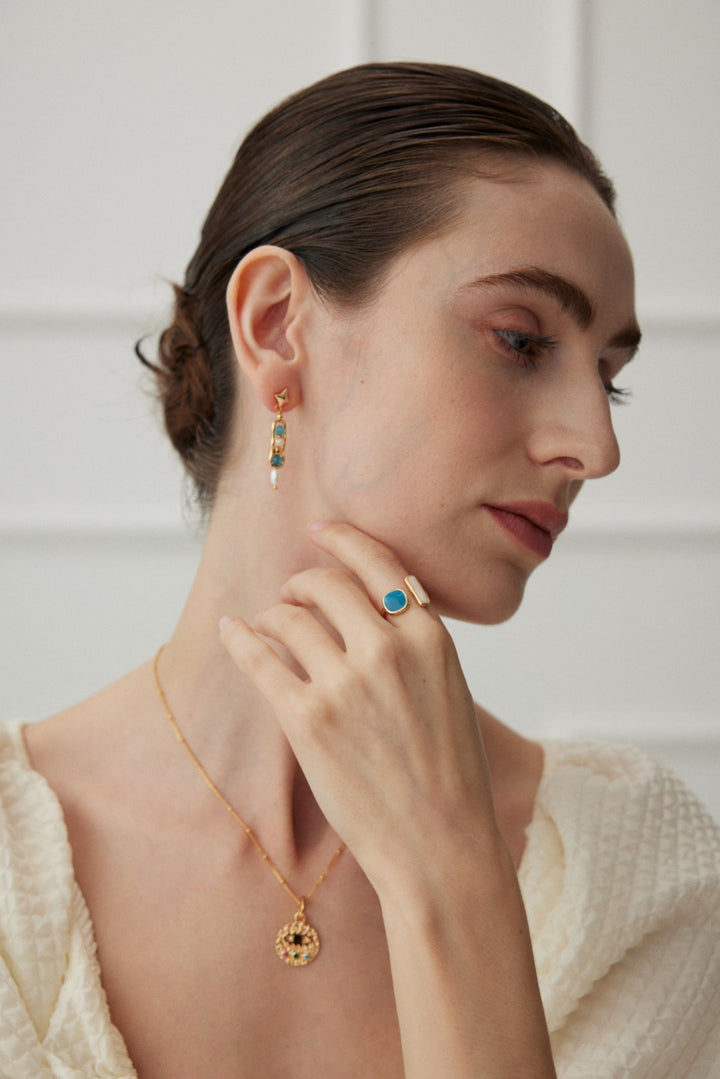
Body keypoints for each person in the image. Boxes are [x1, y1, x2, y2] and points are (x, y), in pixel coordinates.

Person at [1, 61, 718, 1079]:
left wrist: (451, 873)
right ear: (276, 324)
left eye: (612, 378)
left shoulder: (639, 872)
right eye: (521, 340)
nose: (596, 447)